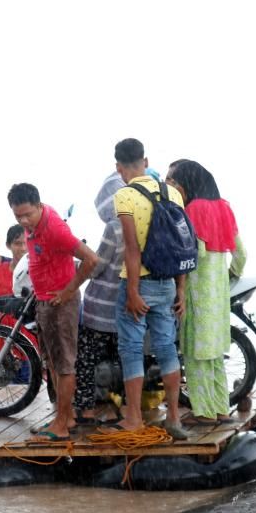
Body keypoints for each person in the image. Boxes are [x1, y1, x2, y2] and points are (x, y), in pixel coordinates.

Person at [8, 183, 99, 441]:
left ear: (39, 205)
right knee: (53, 364)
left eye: (28, 214)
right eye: (18, 216)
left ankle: (60, 425)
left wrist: (68, 292)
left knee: (65, 365)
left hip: (60, 305)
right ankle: (65, 416)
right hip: (44, 301)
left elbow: (91, 260)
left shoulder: (55, 229)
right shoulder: (34, 225)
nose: (24, 221)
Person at [112, 138, 188, 439]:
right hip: (167, 282)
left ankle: (133, 418)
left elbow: (132, 249)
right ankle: (172, 416)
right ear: (145, 161)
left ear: (119, 168)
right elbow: (183, 246)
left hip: (138, 283)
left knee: (131, 350)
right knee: (167, 348)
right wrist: (179, 290)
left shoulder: (125, 196)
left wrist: (132, 291)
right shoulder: (173, 193)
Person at [168, 160, 247, 425]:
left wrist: (178, 285)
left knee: (194, 353)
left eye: (173, 182)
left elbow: (193, 254)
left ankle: (203, 413)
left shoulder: (192, 209)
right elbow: (241, 254)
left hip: (196, 290)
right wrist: (228, 277)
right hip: (219, 292)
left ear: (186, 183)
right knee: (214, 355)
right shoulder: (224, 207)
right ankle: (222, 410)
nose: (170, 186)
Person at [74, 172, 126, 422]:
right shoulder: (138, 221)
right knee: (124, 360)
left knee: (85, 361)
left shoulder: (114, 227)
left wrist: (79, 266)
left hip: (99, 311)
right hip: (125, 308)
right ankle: (123, 407)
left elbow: (97, 265)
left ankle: (87, 410)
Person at [0, 224, 27, 297]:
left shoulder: (38, 272)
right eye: (18, 243)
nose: (23, 248)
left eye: (26, 243)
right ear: (8, 245)